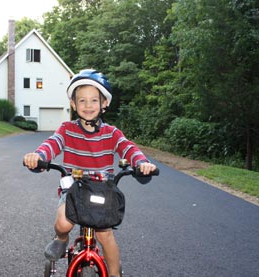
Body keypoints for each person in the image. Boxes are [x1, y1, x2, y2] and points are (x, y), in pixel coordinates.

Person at [23, 69, 157, 277]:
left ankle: (114, 274)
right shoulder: (67, 129)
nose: (88, 106)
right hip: (74, 188)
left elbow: (128, 148)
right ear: (74, 105)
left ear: (104, 103)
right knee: (63, 223)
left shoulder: (111, 133)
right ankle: (61, 240)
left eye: (94, 100)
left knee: (106, 237)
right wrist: (38, 156)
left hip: (103, 191)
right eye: (82, 101)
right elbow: (53, 144)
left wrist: (141, 163)